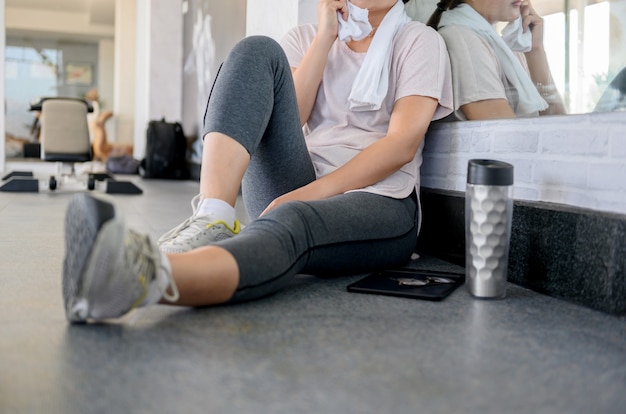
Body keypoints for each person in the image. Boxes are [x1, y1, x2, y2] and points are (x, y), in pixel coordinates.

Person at [61, 0, 453, 323]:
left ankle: (139, 277)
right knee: (256, 50)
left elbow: (401, 145)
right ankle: (213, 215)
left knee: (293, 220)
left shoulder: (418, 41)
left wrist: (309, 196)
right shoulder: (306, 38)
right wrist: (324, 39)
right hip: (299, 176)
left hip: (381, 199)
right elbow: (289, 118)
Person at [427, 0, 566, 120]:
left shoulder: (507, 49)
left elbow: (559, 127)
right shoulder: (463, 40)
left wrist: (536, 50)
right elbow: (504, 139)